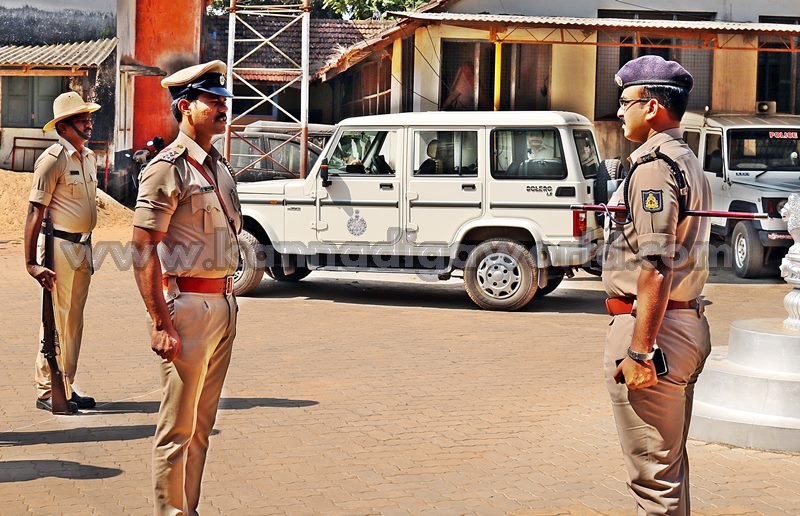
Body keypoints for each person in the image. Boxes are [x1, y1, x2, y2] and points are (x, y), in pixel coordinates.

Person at [602, 55, 713, 515]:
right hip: (681, 323)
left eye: (625, 102)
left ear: (651, 107)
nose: (618, 111)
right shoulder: (686, 159)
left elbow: (656, 263)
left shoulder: (653, 167)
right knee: (668, 469)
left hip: (655, 331)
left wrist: (640, 351)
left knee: (654, 481)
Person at [131, 60, 241, 515]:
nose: (222, 108)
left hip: (224, 304)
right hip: (188, 307)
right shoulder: (168, 168)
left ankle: (188, 509)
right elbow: (142, 247)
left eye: (223, 100)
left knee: (201, 427)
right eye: (212, 101)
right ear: (185, 107)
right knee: (177, 428)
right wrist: (160, 323)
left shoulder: (219, 167)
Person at [24, 91, 101, 413]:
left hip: (82, 245)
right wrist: (31, 262)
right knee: (55, 319)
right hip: (59, 246)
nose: (89, 123)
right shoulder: (52, 159)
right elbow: (34, 211)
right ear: (64, 127)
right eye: (82, 119)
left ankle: (65, 384)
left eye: (89, 118)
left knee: (74, 322)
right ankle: (47, 389)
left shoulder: (88, 157)